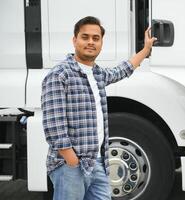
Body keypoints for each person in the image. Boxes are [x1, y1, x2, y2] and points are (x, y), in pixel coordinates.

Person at [41, 16, 156, 200]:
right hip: (71, 166)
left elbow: (122, 70)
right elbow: (54, 126)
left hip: (96, 162)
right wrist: (72, 160)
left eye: (96, 38)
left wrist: (145, 50)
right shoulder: (60, 75)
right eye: (85, 37)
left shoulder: (97, 73)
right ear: (74, 40)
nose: (90, 42)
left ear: (101, 43)